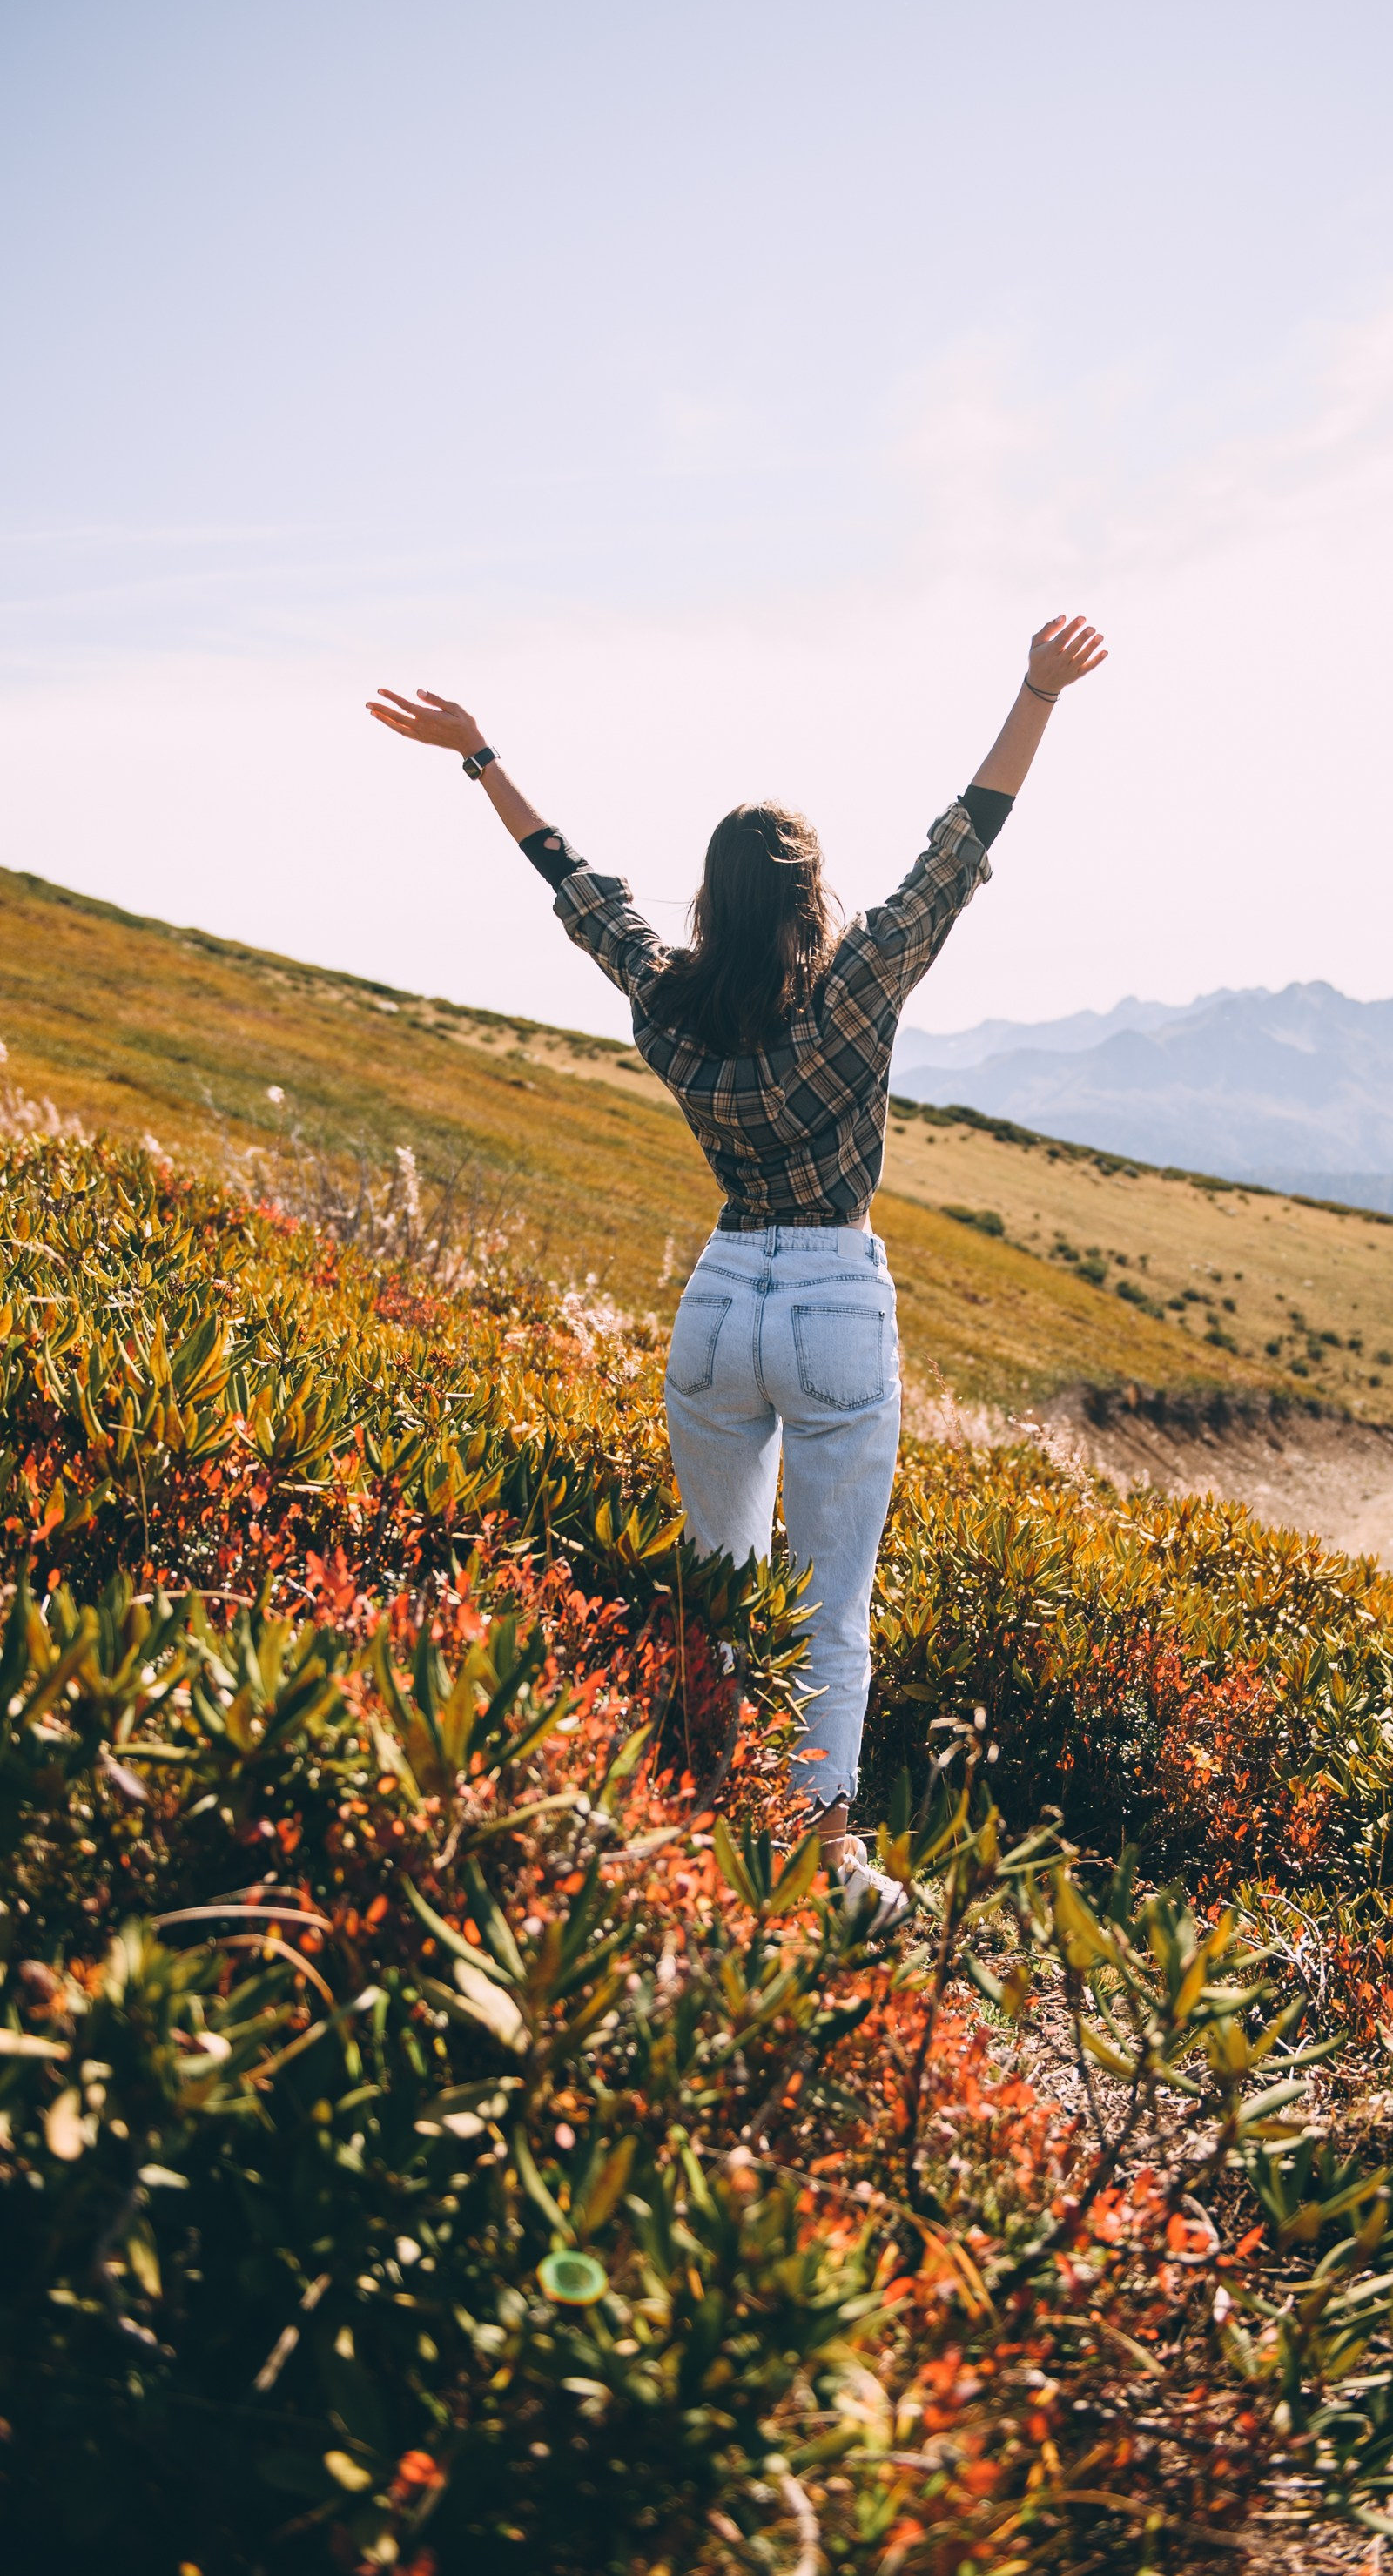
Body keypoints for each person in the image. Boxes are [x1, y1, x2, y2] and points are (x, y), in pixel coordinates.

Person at [368, 615, 1107, 1927]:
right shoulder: (855, 990)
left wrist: (481, 757)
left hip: (717, 1298)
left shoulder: (669, 1002)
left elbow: (583, 895)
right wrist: (1035, 693)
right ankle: (826, 1863)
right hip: (831, 1294)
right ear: (810, 901)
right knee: (830, 1607)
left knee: (716, 1591)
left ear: (712, 899)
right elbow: (958, 853)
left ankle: (707, 1820)